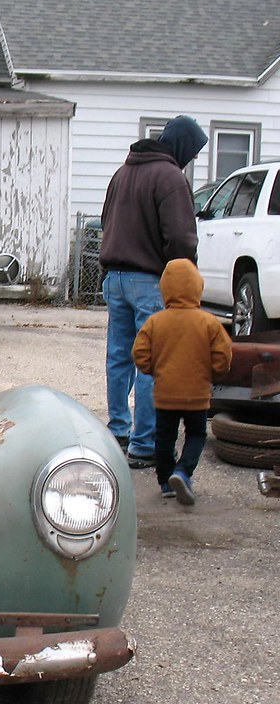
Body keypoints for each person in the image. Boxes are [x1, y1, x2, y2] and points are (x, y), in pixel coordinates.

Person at [99, 115, 207, 469]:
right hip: (150, 281)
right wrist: (183, 277)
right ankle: (144, 446)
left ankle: (118, 433)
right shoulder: (170, 176)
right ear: (181, 146)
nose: (190, 159)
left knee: (120, 358)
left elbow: (105, 223)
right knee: (152, 362)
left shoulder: (122, 173)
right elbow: (180, 237)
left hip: (115, 277)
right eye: (192, 152)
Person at [131, 258, 232, 505]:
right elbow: (223, 355)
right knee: (196, 434)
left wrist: (155, 371)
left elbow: (139, 352)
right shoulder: (209, 322)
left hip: (165, 392)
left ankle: (166, 481)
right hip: (197, 393)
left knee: (164, 437)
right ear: (198, 286)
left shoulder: (156, 321)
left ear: (165, 288)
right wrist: (213, 375)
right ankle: (183, 471)